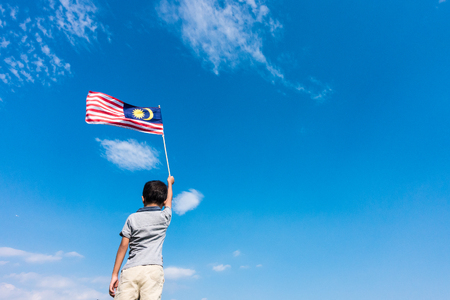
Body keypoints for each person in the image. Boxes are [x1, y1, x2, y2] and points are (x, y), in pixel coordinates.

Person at [109, 176, 175, 300]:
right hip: (153, 270)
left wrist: (114, 274)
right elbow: (169, 201)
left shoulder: (132, 218)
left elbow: (123, 246)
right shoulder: (164, 217)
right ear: (164, 200)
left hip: (131, 270)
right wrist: (170, 183)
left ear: (143, 199)